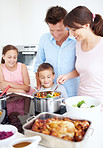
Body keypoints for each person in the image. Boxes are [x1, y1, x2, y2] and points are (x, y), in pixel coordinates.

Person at [57, 6, 103, 111]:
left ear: (86, 25)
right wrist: (66, 76)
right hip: (81, 102)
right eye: (69, 30)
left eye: (74, 30)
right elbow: (82, 70)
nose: (71, 34)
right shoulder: (78, 45)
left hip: (98, 105)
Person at [34, 6, 79, 97]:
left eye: (59, 30)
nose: (55, 34)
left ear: (67, 25)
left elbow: (81, 68)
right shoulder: (44, 39)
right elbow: (38, 65)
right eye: (52, 30)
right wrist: (38, 86)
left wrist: (67, 76)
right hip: (51, 95)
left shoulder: (76, 41)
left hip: (73, 93)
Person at [0, 45, 34, 115]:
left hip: (25, 99)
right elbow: (2, 87)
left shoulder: (22, 67)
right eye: (9, 57)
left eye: (14, 57)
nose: (12, 60)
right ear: (3, 56)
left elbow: (27, 88)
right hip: (8, 101)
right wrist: (20, 91)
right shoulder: (0, 67)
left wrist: (9, 84)